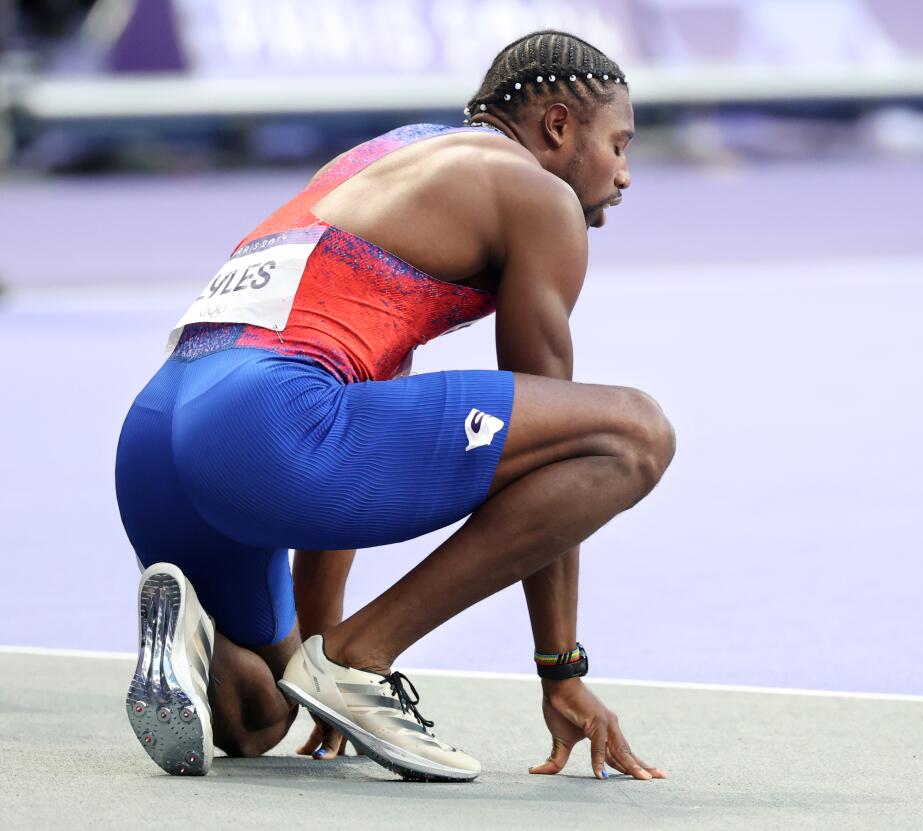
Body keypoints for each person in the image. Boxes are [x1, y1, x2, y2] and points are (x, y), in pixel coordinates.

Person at [116, 30, 674, 782]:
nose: (625, 174)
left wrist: (312, 651)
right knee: (632, 435)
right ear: (559, 127)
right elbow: (555, 431)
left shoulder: (382, 161)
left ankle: (198, 640)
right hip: (268, 425)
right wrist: (559, 667)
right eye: (619, 143)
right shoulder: (541, 198)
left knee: (262, 716)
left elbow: (358, 390)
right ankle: (362, 661)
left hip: (156, 443)